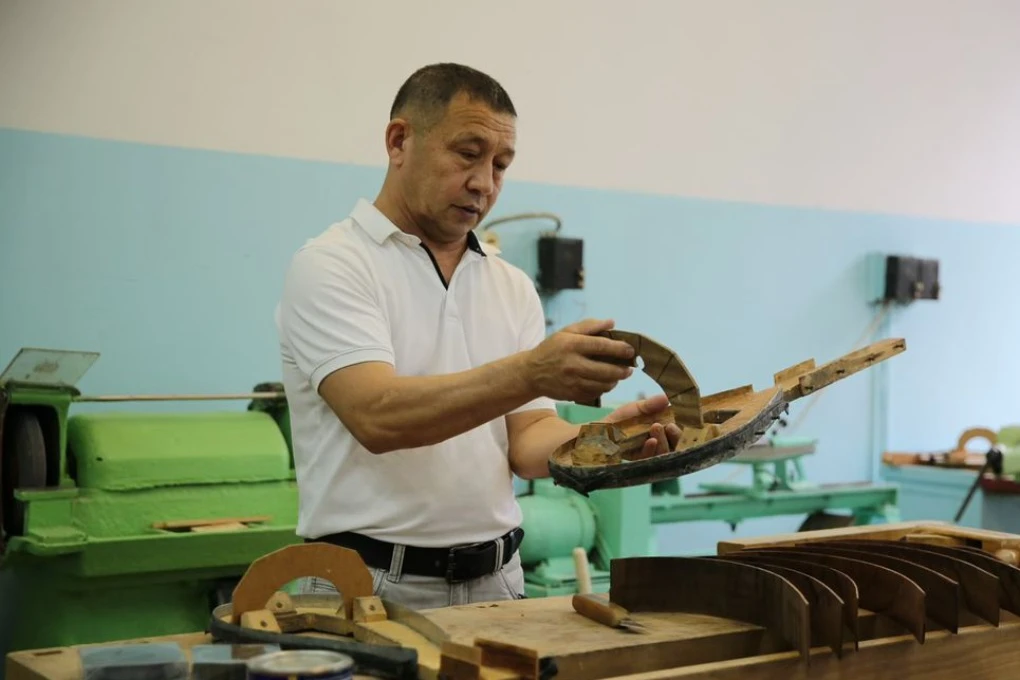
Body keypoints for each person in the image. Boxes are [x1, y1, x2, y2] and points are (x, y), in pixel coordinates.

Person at [275, 62, 681, 610]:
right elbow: (377, 416)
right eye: (467, 154)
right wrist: (532, 372)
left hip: (498, 580)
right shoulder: (333, 265)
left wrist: (606, 438)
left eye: (501, 165)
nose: (484, 183)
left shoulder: (509, 284)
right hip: (368, 583)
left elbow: (528, 441)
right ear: (399, 141)